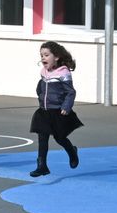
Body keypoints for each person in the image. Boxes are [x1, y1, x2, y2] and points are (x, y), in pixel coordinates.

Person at [30, 41, 82, 178]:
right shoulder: (44, 72)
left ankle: (72, 151)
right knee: (42, 137)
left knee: (60, 138)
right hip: (44, 111)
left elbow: (70, 92)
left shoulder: (63, 72)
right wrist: (40, 94)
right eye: (41, 55)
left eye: (46, 55)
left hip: (58, 111)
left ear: (56, 57)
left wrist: (66, 106)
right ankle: (42, 166)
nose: (43, 58)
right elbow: (41, 87)